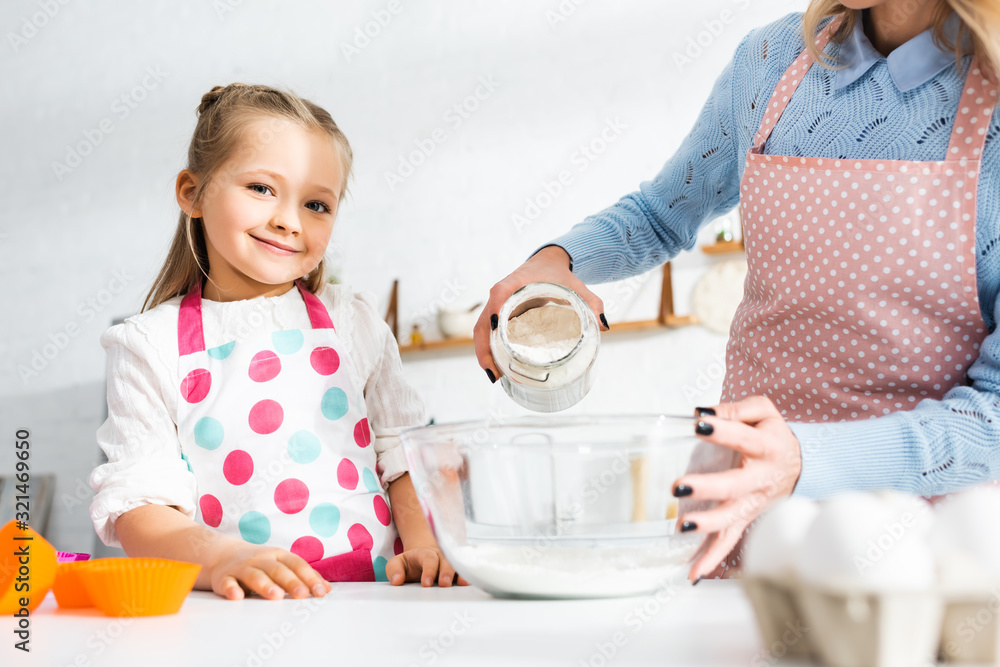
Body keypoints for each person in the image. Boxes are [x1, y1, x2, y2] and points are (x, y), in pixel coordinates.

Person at [474, 0, 1000, 582]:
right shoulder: (772, 61)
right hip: (741, 517)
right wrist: (554, 261)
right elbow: (660, 213)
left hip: (926, 556)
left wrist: (803, 458)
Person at [91, 83, 464, 600]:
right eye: (262, 188)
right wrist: (221, 556)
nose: (289, 220)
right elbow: (140, 508)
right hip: (242, 612)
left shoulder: (350, 322)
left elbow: (406, 455)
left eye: (316, 204)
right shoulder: (148, 346)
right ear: (191, 193)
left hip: (379, 601)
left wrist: (424, 545)